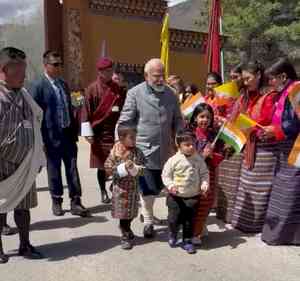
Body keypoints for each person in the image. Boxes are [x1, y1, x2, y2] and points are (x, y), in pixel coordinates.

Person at [117, 58, 183, 238]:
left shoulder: (171, 94)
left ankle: (148, 214)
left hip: (167, 150)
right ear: (146, 76)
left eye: (163, 75)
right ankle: (148, 222)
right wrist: (123, 146)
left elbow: (178, 119)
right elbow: (124, 122)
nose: (161, 79)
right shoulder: (134, 94)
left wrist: (180, 138)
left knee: (159, 187)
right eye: (156, 76)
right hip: (143, 150)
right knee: (148, 186)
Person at [30, 51, 88, 217]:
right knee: (54, 169)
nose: (59, 67)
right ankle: (57, 201)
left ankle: (76, 201)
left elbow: (72, 104)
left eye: (60, 64)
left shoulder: (63, 83)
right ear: (46, 65)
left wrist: (79, 103)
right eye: (55, 64)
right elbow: (35, 113)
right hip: (50, 136)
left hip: (68, 134)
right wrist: (39, 139)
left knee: (72, 168)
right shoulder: (38, 86)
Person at [0, 47, 44, 263]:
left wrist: (38, 156)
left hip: (25, 163)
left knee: (23, 207)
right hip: (1, 164)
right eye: (17, 71)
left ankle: (24, 244)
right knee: (0, 207)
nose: (23, 75)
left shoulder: (25, 96)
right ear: (3, 70)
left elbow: (36, 123)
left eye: (24, 70)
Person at [231, 60, 278, 233]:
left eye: (248, 78)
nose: (245, 82)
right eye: (243, 79)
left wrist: (253, 127)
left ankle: (257, 225)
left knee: (260, 188)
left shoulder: (270, 95)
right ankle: (244, 223)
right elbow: (236, 117)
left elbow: (270, 120)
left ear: (258, 75)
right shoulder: (244, 95)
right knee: (246, 185)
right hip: (248, 146)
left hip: (265, 148)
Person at [261, 57, 300, 245]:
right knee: (283, 190)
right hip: (285, 147)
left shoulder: (297, 90)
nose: (270, 82)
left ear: (284, 76)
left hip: (296, 147)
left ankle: (289, 235)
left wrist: (276, 130)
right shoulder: (285, 92)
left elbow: (295, 122)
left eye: (273, 78)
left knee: (291, 191)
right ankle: (278, 234)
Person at [81, 58, 125, 204]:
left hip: (116, 132)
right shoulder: (92, 89)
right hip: (99, 133)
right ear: (100, 72)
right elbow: (85, 112)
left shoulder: (118, 89)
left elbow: (125, 108)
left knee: (120, 163)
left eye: (111, 70)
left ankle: (115, 186)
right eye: (106, 71)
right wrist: (88, 133)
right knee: (101, 166)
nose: (109, 73)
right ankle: (103, 191)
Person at [162, 129, 209, 254]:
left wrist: (205, 184)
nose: (191, 147)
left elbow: (204, 173)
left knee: (189, 221)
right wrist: (171, 185)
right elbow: (165, 175)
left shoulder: (198, 159)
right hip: (175, 197)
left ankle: (187, 241)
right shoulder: (173, 160)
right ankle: (173, 233)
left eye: (193, 144)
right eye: (187, 145)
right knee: (174, 219)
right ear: (179, 145)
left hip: (193, 196)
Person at [104, 126, 145, 250]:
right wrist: (123, 168)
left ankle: (126, 227)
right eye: (131, 137)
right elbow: (108, 168)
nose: (134, 140)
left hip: (133, 189)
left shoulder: (138, 152)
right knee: (123, 214)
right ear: (121, 138)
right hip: (120, 189)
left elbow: (143, 169)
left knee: (131, 213)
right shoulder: (115, 152)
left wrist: (134, 168)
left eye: (135, 137)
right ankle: (125, 234)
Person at [189, 103, 224, 245]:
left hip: (209, 173)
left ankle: (199, 227)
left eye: (208, 117)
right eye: (201, 116)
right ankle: (193, 233)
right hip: (192, 175)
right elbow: (186, 157)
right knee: (194, 203)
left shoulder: (215, 135)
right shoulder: (189, 135)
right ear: (195, 118)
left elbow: (221, 155)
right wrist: (203, 155)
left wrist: (214, 153)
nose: (204, 120)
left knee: (206, 202)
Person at [216, 64, 244, 223]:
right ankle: (223, 214)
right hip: (224, 137)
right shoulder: (227, 94)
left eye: (236, 77)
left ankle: (233, 216)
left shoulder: (245, 96)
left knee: (235, 179)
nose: (233, 80)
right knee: (225, 178)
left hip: (237, 139)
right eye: (231, 77)